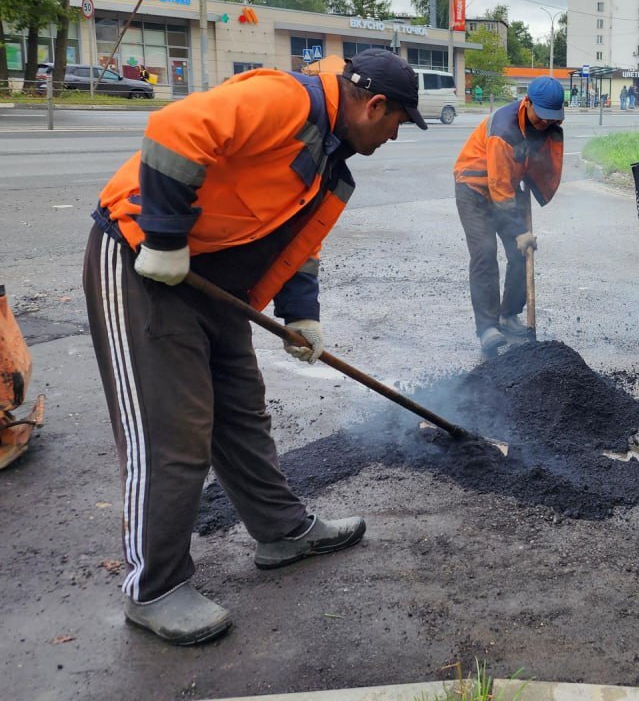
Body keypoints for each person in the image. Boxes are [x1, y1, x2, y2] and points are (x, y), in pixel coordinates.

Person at [82, 48, 426, 646]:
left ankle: (281, 531)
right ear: (375, 106)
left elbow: (289, 237)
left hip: (215, 284)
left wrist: (303, 316)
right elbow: (175, 128)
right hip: (147, 264)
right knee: (173, 432)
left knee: (241, 412)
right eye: (398, 123)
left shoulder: (329, 162)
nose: (395, 136)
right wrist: (163, 238)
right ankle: (155, 588)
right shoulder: (285, 99)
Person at [453, 75, 564, 357]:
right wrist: (520, 230)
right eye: (542, 117)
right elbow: (498, 189)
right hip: (474, 188)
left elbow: (523, 168)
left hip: (506, 188)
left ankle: (508, 314)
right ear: (527, 103)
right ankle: (488, 328)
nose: (546, 123)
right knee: (485, 253)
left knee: (521, 253)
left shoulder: (544, 125)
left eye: (552, 119)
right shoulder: (503, 129)